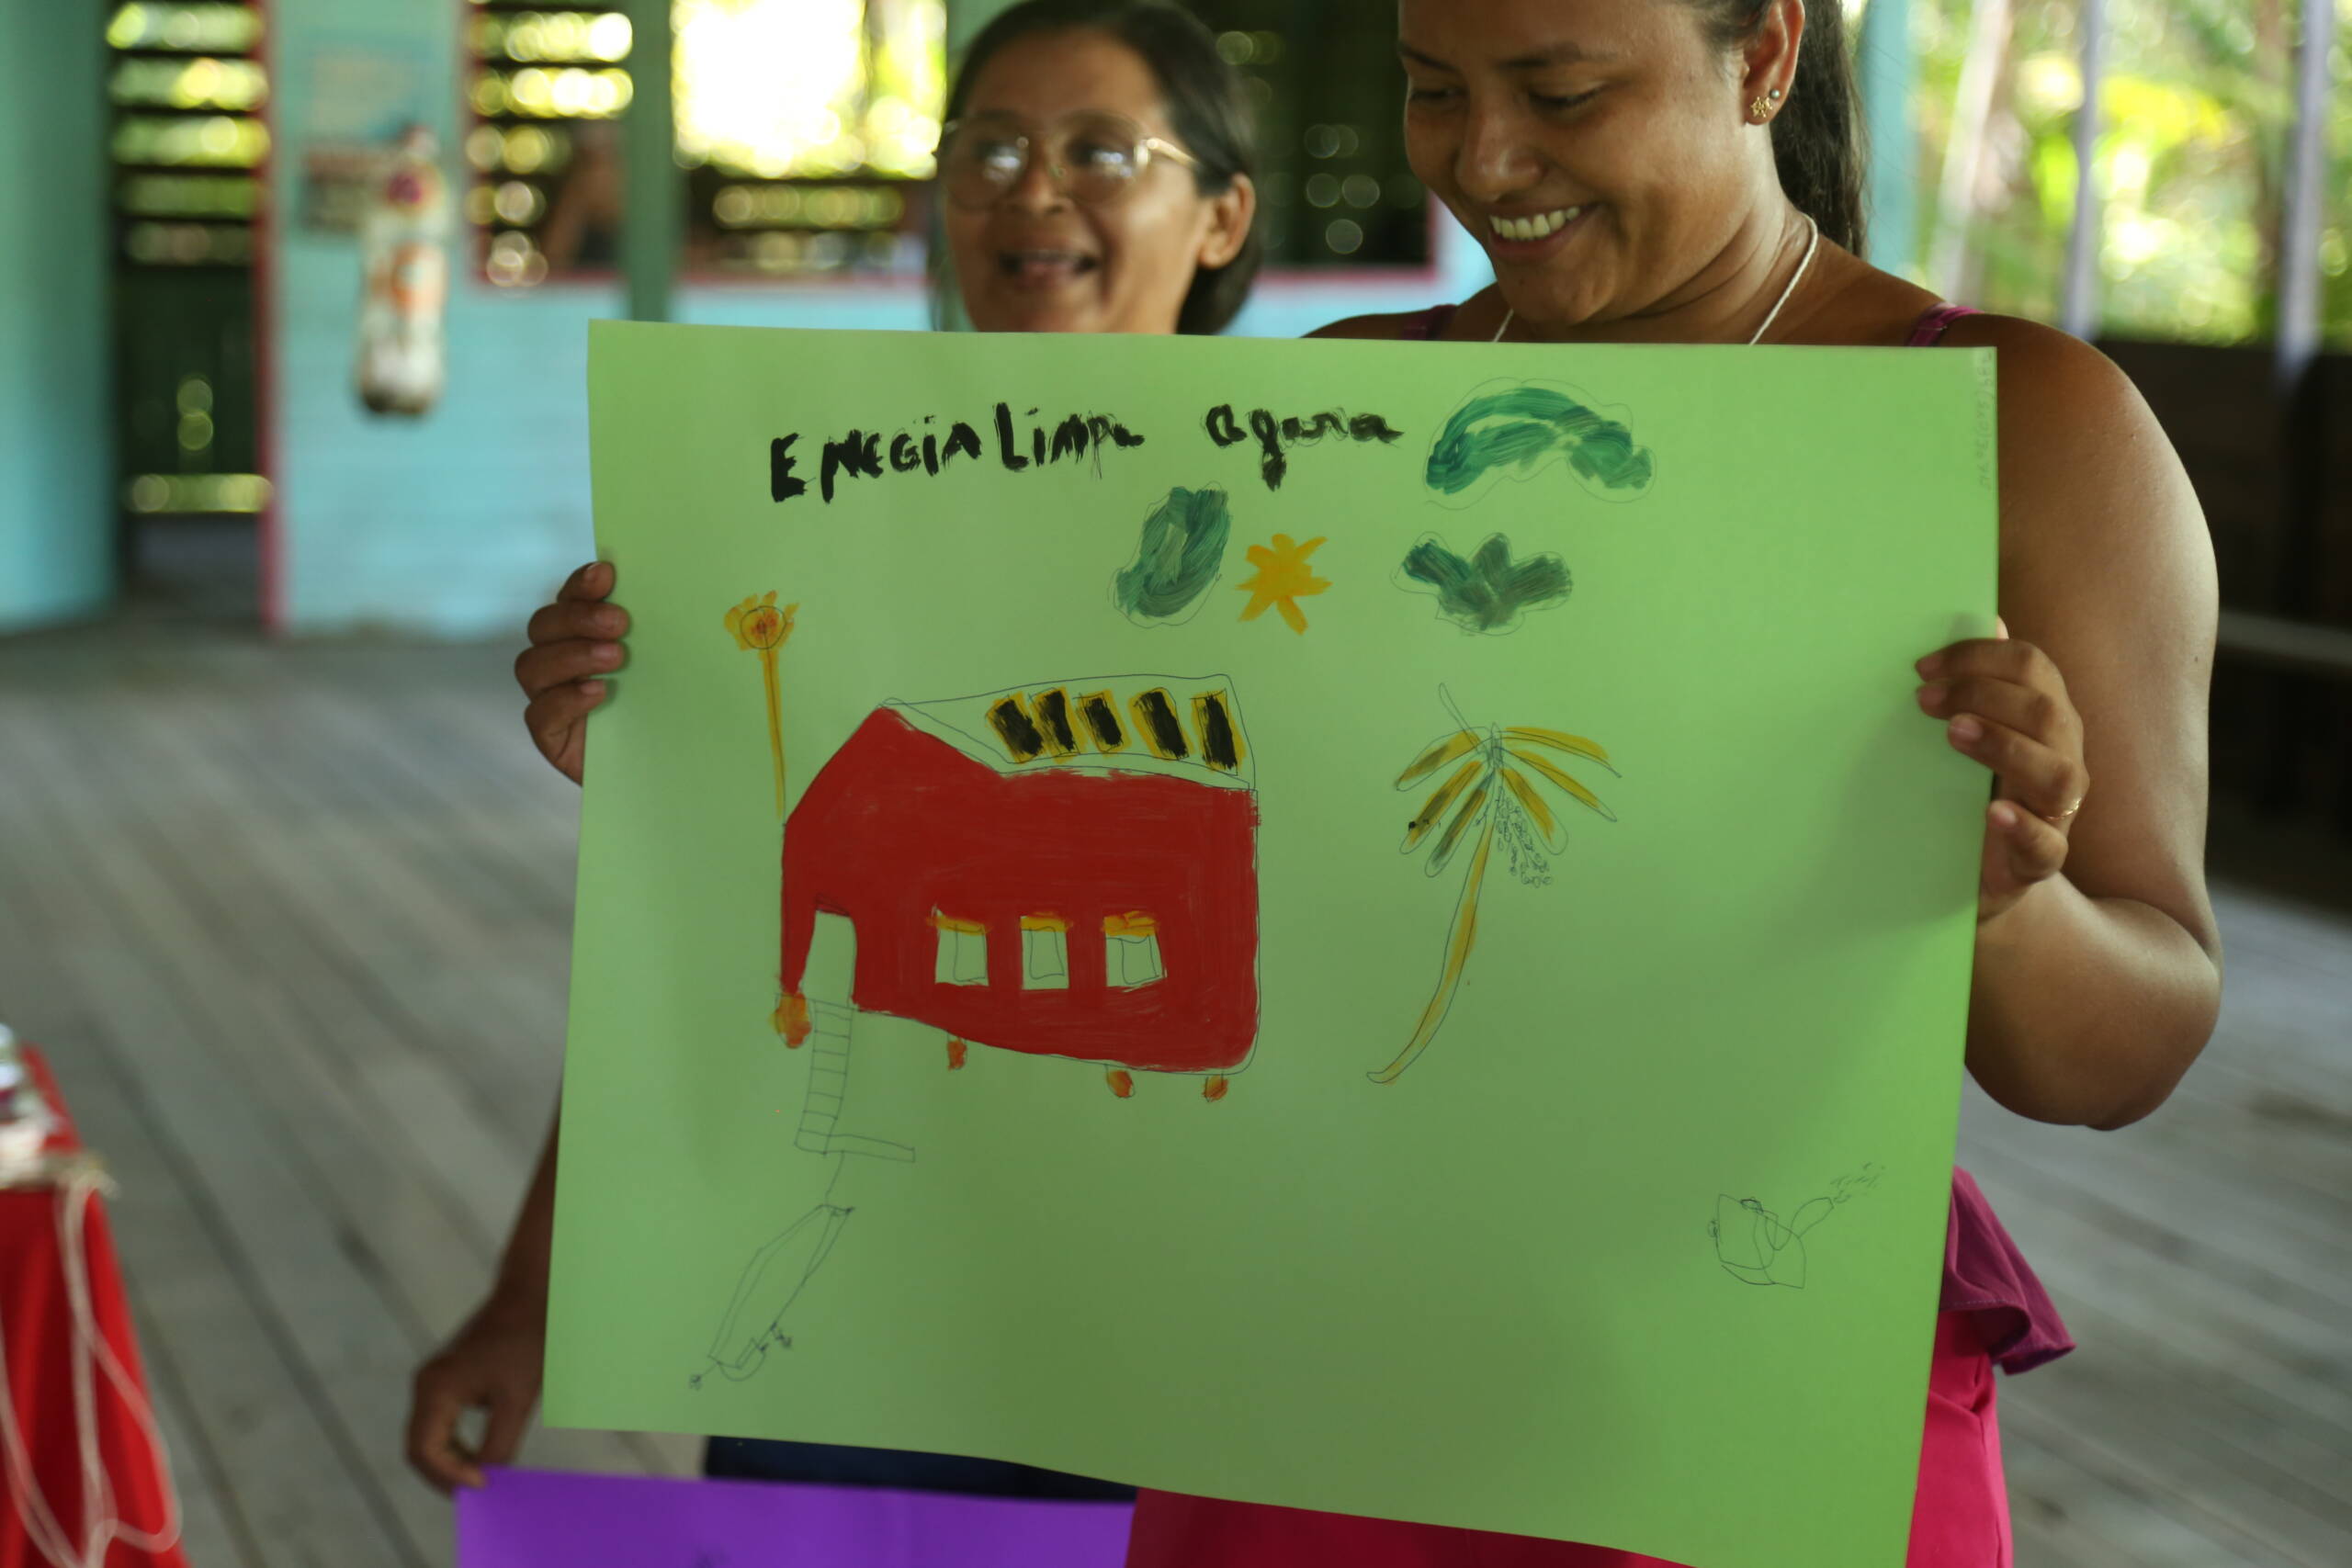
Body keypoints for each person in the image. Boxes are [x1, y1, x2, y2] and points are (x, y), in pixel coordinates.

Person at [1125, 0, 2221, 1564]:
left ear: (1766, 53)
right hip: (1330, 1344)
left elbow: (2130, 1048)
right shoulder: (1341, 411)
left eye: (1561, 92)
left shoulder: (2023, 426)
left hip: (1752, 1371)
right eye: (1434, 92)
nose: (1487, 160)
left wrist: (2004, 899)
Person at [405, 0, 1258, 1499]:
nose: (1031, 189)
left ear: (1222, 215)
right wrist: (535, 1296)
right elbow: (697, 953)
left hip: (1210, 1314)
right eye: (986, 148)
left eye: (1098, 150)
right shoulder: (807, 524)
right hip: (868, 1300)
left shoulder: (1311, 539)